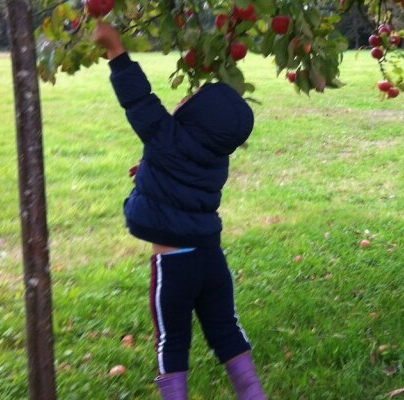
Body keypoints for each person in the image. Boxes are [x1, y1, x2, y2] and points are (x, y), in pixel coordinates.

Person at [92, 21, 266, 400]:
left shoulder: (166, 138)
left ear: (197, 117)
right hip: (211, 261)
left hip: (174, 267)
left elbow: (138, 101)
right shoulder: (215, 159)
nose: (186, 99)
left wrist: (116, 51)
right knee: (226, 331)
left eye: (193, 99)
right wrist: (152, 169)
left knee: (171, 344)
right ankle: (254, 395)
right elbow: (184, 177)